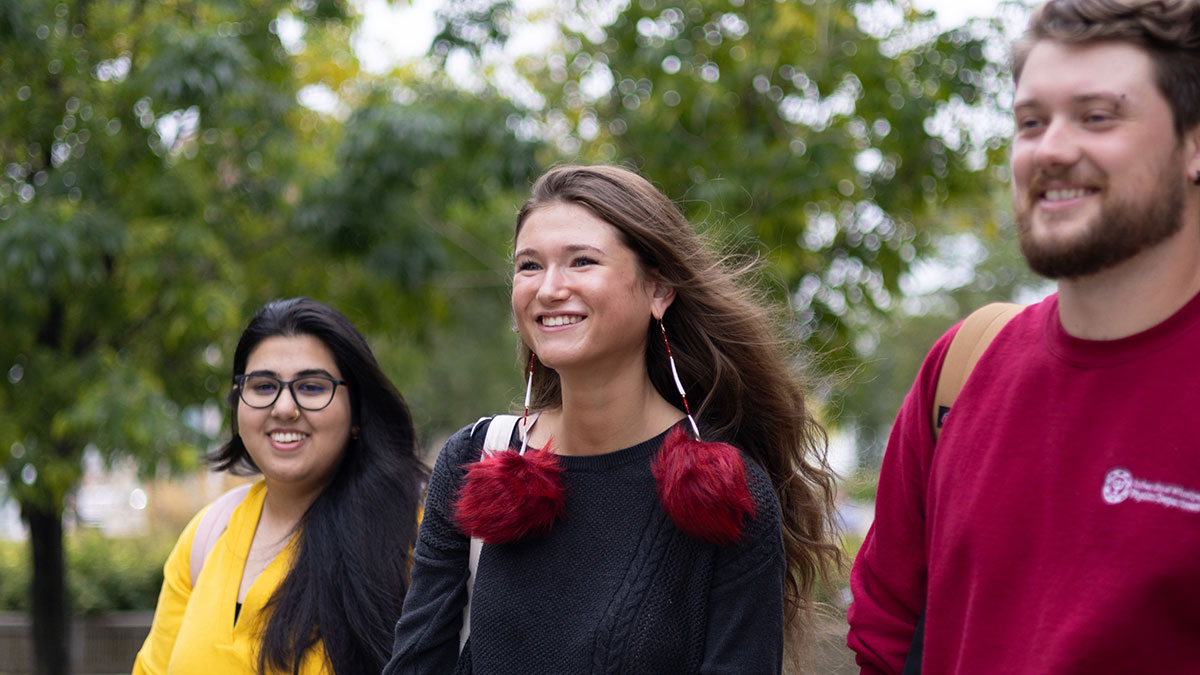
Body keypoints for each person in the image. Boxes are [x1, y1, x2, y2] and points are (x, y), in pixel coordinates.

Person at [847, 0, 1200, 672]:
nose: (1052, 149)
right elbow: (883, 635)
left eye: (1097, 116)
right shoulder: (962, 365)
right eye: (1031, 122)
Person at [383, 164, 842, 674]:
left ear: (658, 290)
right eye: (529, 266)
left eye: (581, 261)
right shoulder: (474, 458)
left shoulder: (726, 490)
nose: (550, 289)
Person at [133, 297, 427, 675]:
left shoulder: (416, 536)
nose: (284, 407)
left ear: (357, 412)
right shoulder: (206, 536)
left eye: (311, 387)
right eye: (263, 385)